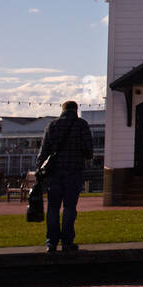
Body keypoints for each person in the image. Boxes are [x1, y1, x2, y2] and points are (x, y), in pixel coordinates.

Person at [36, 100, 95, 253]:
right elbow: (89, 150)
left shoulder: (52, 125)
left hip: (54, 173)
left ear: (62, 110)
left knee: (53, 208)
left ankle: (51, 243)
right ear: (76, 110)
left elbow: (43, 151)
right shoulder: (81, 124)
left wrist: (39, 169)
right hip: (73, 171)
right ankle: (67, 242)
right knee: (69, 208)